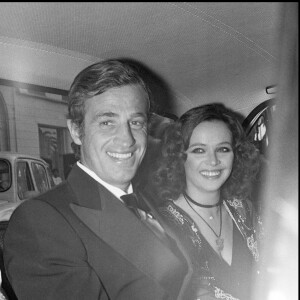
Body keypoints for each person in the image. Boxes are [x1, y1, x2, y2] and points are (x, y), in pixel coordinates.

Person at [3, 59, 188, 300]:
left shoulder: (147, 200)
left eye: (136, 122)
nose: (127, 140)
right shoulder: (41, 220)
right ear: (76, 131)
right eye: (107, 122)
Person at [151, 103, 264, 300]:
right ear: (179, 156)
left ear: (235, 155)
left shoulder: (245, 210)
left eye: (223, 149)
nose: (213, 161)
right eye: (199, 151)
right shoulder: (161, 224)